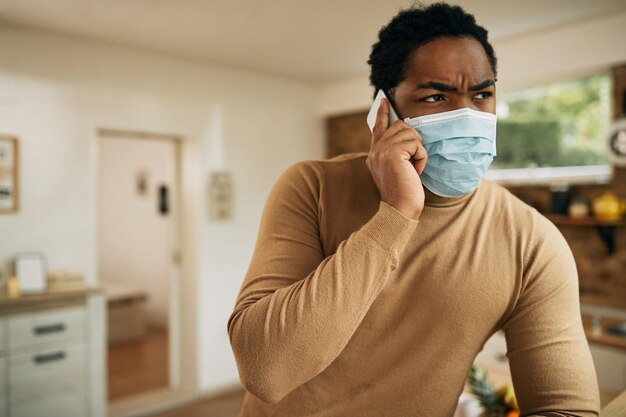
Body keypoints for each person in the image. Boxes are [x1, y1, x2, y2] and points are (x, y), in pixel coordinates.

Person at [227, 3, 600, 416]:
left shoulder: (532, 241)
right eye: (436, 96)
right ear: (383, 112)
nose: (467, 116)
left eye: (482, 94)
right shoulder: (311, 187)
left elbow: (565, 408)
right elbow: (266, 369)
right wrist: (395, 214)